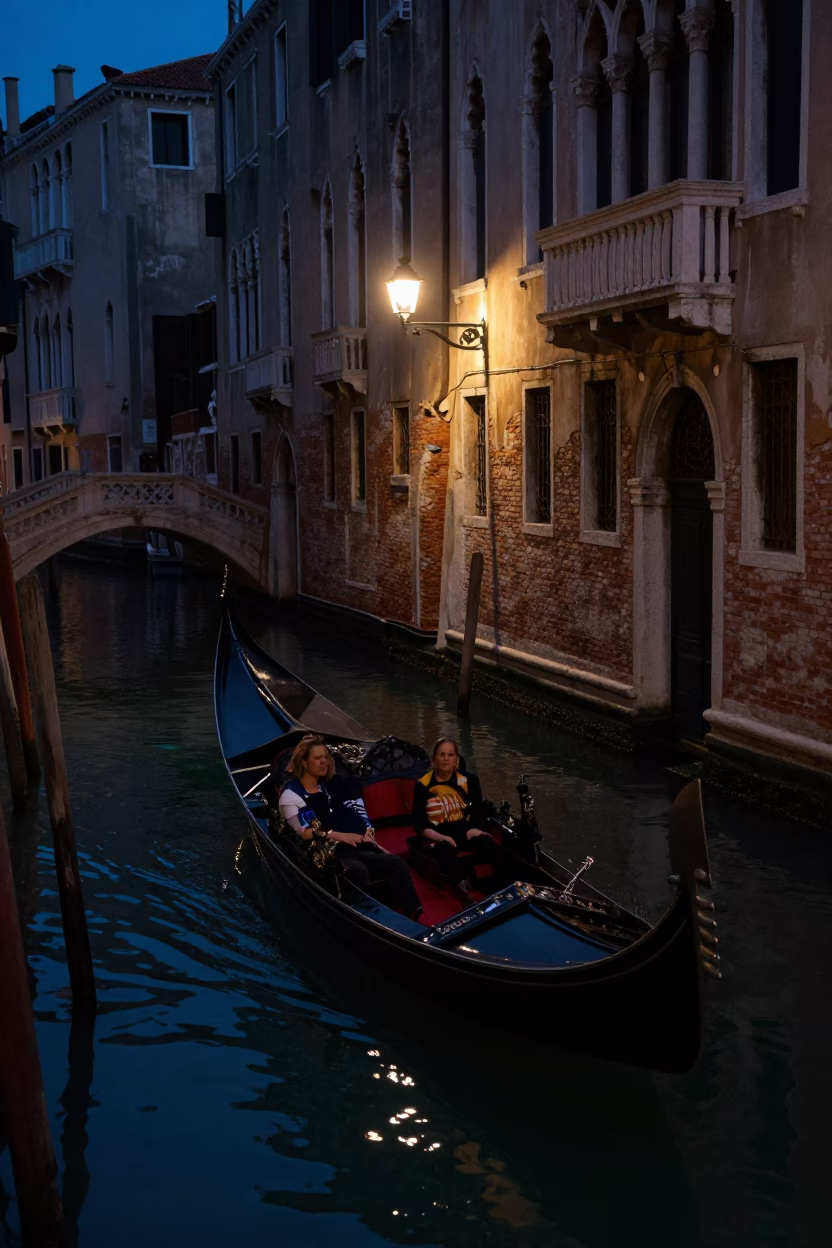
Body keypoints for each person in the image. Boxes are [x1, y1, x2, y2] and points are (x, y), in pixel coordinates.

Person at [278, 735, 423, 920]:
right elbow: (306, 833)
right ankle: (361, 918)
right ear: (304, 763)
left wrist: (373, 844)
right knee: (358, 871)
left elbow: (351, 817)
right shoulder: (292, 796)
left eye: (326, 757)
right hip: (321, 856)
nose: (324, 762)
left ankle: (414, 915)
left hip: (348, 849)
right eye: (317, 758)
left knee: (395, 863)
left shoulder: (331, 786)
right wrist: (339, 835)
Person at [411, 737, 501, 901]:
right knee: (446, 848)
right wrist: (441, 837)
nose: (446, 759)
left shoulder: (470, 781)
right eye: (442, 755)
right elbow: (419, 823)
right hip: (437, 834)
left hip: (463, 831)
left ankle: (496, 884)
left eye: (450, 755)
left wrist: (475, 829)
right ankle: (463, 890)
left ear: (456, 759)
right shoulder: (422, 785)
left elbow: (477, 811)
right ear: (434, 759)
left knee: (488, 843)